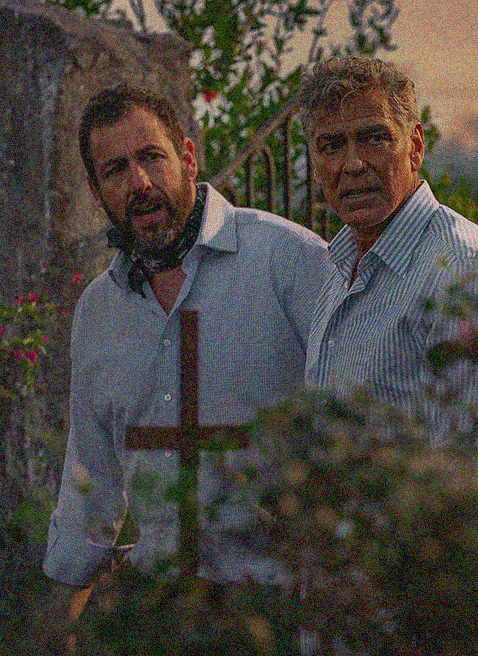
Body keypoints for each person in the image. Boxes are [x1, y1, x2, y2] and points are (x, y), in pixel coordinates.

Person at [39, 85, 329, 651]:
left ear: (188, 158)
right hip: (157, 616)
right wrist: (63, 612)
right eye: (116, 170)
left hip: (276, 611)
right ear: (98, 191)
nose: (139, 183)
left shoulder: (286, 261)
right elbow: (90, 470)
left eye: (151, 157)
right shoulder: (99, 310)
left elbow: (352, 415)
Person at [299, 56, 478, 468]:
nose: (352, 165)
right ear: (315, 165)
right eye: (331, 145)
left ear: (416, 145)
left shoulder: (463, 268)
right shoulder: (340, 266)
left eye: (374, 139)